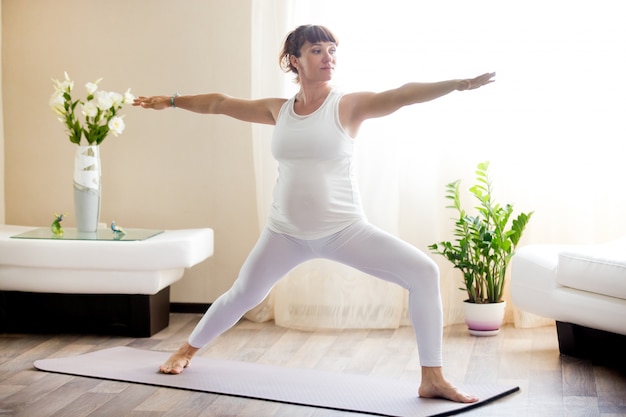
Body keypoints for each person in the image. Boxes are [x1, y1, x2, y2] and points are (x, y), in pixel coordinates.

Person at [133, 24, 494, 403]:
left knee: (424, 272)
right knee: (242, 294)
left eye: (332, 50)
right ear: (295, 60)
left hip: (344, 231)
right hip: (284, 233)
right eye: (317, 51)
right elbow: (219, 103)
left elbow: (401, 95)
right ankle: (187, 350)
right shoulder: (279, 110)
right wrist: (171, 100)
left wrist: (457, 83)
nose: (328, 58)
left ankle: (432, 378)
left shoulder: (348, 106)